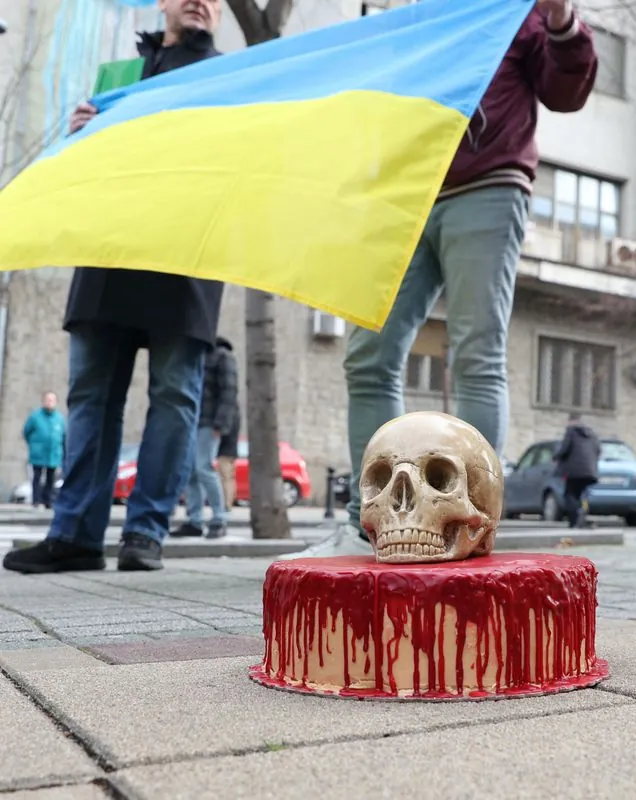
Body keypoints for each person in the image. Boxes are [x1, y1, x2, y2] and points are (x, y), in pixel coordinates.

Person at [282, 0, 597, 561]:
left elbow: (565, 91)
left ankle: (470, 520)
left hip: (489, 183)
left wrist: (561, 23)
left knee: (477, 350)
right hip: (405, 194)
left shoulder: (513, 11)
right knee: (367, 355)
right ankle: (373, 524)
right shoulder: (415, 18)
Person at [3, 0, 224, 575]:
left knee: (175, 397)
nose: (200, 1)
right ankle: (74, 533)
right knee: (90, 397)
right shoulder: (118, 78)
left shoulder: (230, 79)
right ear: (163, 4)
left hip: (188, 256)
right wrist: (81, 135)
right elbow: (84, 171)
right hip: (108, 254)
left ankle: (144, 534)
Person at [172, 336, 237, 540]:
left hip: (209, 422)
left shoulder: (222, 356)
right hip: (192, 420)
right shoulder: (195, 355)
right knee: (191, 471)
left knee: (204, 468)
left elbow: (229, 392)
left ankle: (219, 518)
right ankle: (195, 520)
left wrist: (220, 423)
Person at [554, 412, 601, 528]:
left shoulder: (571, 432)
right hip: (590, 471)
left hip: (574, 471)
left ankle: (574, 520)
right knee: (582, 494)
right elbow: (598, 450)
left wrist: (556, 457)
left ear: (571, 421)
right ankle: (582, 517)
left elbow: (565, 449)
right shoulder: (592, 434)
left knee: (570, 495)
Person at [23, 391, 66, 508]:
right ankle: (36, 500)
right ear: (43, 401)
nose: (50, 402)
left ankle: (48, 501)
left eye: (52, 400)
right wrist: (33, 444)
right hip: (38, 453)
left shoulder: (59, 418)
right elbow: (26, 432)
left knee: (51, 478)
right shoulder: (35, 417)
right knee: (37, 477)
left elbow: (63, 435)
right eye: (47, 400)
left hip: (53, 453)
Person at [217, 407, 240, 512]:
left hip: (225, 450)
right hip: (231, 450)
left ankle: (226, 503)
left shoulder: (229, 417)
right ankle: (228, 502)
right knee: (229, 478)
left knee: (225, 477)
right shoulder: (236, 417)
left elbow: (226, 433)